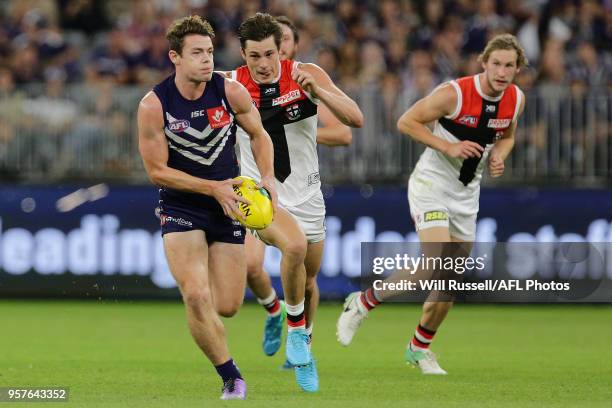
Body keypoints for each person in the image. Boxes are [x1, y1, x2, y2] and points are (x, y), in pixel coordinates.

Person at [336, 33, 527, 375]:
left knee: (449, 284)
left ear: (517, 69)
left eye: (509, 65)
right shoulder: (454, 94)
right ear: (483, 63)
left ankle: (419, 348)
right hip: (431, 185)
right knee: (433, 259)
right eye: (496, 63)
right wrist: (448, 147)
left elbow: (508, 134)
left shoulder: (515, 99)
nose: (501, 71)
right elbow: (406, 121)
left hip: (467, 195)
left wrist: (500, 153)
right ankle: (362, 302)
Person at [137, 15, 276, 400]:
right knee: (196, 295)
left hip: (228, 205)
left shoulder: (230, 93)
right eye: (197, 52)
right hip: (182, 205)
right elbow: (156, 171)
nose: (206, 59)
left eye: (210, 52)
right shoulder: (154, 105)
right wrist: (210, 188)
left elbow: (260, 135)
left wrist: (267, 177)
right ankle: (231, 376)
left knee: (228, 305)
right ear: (175, 58)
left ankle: (246, 315)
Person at [227, 13, 363, 392]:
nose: (263, 64)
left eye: (269, 54)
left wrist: (320, 93)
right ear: (243, 54)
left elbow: (355, 120)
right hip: (259, 194)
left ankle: (298, 331)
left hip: (308, 195)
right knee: (280, 253)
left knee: (307, 279)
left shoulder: (306, 75)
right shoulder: (232, 84)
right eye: (254, 56)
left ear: (282, 50)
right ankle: (294, 333)